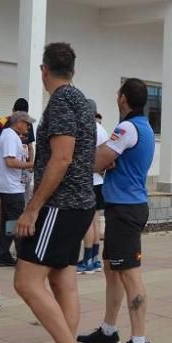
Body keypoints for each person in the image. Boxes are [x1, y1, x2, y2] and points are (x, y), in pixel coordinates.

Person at [14, 42, 98, 343]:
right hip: (80, 204)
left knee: (26, 282)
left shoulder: (62, 102)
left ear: (44, 70)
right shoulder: (81, 100)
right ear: (73, 70)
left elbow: (61, 159)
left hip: (60, 206)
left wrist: (33, 207)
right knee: (64, 284)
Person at [78, 79, 156, 343]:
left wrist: (101, 158)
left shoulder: (127, 128)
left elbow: (98, 161)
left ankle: (139, 342)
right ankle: (109, 330)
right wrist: (106, 158)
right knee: (112, 270)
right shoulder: (144, 127)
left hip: (126, 209)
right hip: (122, 206)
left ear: (123, 99)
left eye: (117, 94)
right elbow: (106, 159)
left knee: (129, 273)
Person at [0, 111, 34, 267]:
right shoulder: (10, 136)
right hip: (12, 187)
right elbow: (10, 162)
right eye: (27, 123)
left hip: (9, 186)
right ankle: (23, 257)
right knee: (17, 222)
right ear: (18, 123)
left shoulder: (9, 135)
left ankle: (3, 254)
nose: (28, 127)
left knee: (9, 222)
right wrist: (30, 164)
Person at [78, 99, 109, 275]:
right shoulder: (101, 129)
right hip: (99, 181)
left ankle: (87, 260)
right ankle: (95, 259)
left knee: (88, 222)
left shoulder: (86, 129)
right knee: (96, 221)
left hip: (87, 180)